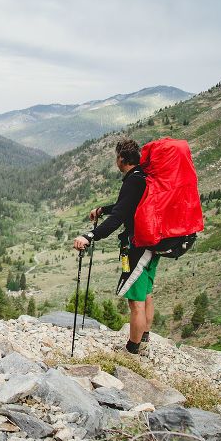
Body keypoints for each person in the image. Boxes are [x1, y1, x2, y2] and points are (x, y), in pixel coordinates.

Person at [73, 138, 158, 356]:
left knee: (135, 301)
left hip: (137, 246)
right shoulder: (143, 177)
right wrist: (103, 209)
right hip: (152, 244)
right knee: (146, 293)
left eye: (116, 157)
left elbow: (119, 218)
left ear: (121, 158)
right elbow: (126, 207)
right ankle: (144, 337)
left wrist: (89, 236)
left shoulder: (132, 181)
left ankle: (132, 349)